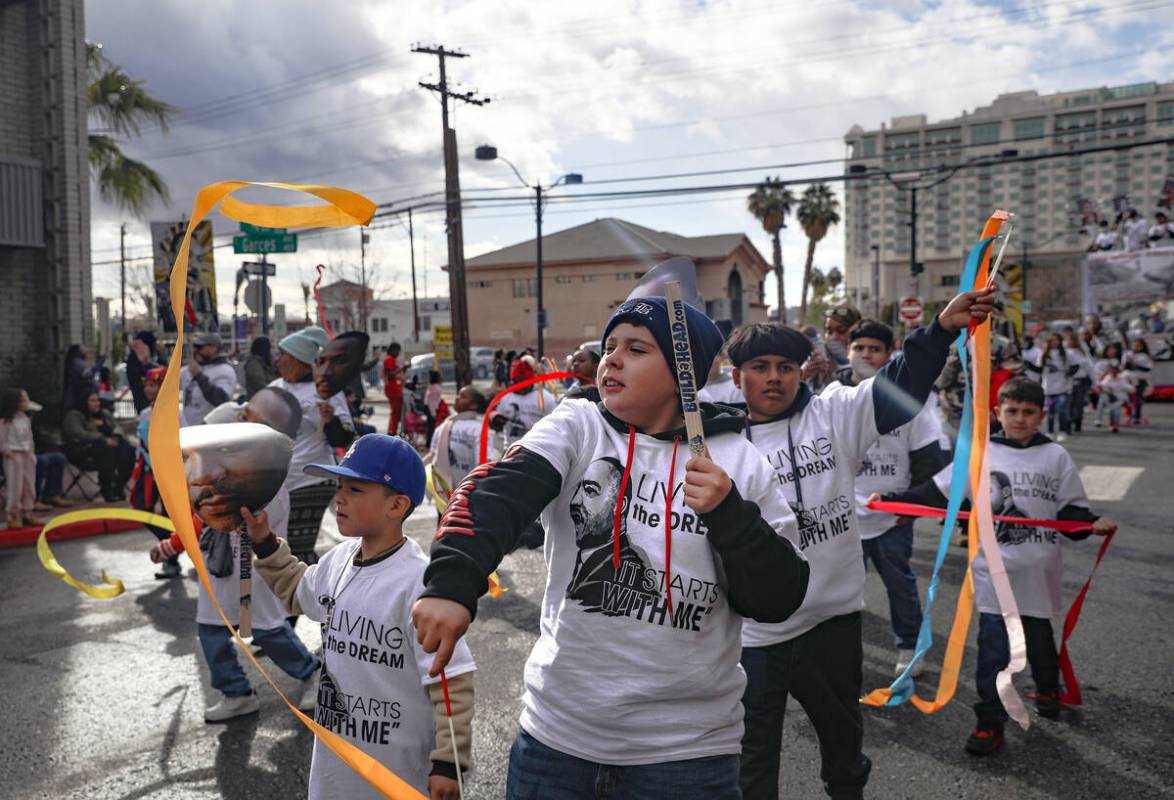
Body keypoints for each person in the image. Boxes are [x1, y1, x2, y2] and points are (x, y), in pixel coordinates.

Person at [412, 296, 810, 800]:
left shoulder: (740, 461)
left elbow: (779, 597)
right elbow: (496, 493)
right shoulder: (578, 425)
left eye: (636, 348)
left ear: (682, 374)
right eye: (609, 347)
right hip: (557, 740)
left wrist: (730, 514)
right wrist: (451, 582)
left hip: (687, 755)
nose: (612, 359)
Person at [728, 287, 993, 800]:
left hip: (832, 621)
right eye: (760, 366)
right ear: (738, 375)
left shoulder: (835, 414)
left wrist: (938, 331)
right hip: (756, 636)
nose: (774, 377)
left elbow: (902, 384)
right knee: (752, 759)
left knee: (843, 747)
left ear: (802, 370)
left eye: (786, 365)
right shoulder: (718, 443)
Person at [881, 377, 1117, 755]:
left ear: (1041, 415)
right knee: (993, 649)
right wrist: (897, 503)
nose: (1020, 418)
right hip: (994, 572)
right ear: (998, 413)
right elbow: (938, 492)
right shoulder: (981, 453)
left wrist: (1092, 523)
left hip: (1039, 569)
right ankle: (989, 722)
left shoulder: (1055, 456)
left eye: (1028, 412)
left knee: (1039, 637)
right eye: (1012, 411)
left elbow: (1072, 512)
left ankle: (1047, 689)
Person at [251, 434, 475, 799]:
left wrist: (449, 763)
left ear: (396, 505)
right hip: (334, 767)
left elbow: (451, 680)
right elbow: (299, 592)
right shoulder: (338, 559)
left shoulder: (419, 584)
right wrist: (264, 542)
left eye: (354, 489)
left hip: (396, 773)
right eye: (339, 485)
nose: (339, 497)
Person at [150, 422, 320, 723]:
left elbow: (266, 525)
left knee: (269, 632)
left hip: (252, 576)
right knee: (211, 634)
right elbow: (195, 523)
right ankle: (236, 693)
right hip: (217, 577)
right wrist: (168, 547)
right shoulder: (210, 482)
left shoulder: (271, 489)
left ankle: (313, 674)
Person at [824, 320, 948, 676]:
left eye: (874, 349)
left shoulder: (913, 402)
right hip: (843, 519)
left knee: (900, 585)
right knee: (841, 592)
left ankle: (909, 647)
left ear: (889, 354)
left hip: (892, 516)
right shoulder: (830, 398)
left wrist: (909, 502)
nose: (865, 354)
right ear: (848, 352)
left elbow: (929, 461)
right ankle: (840, 652)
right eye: (858, 347)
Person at [269, 327, 354, 492]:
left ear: (298, 360)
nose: (277, 360)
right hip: (277, 486)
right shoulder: (274, 387)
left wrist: (331, 421)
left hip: (311, 483)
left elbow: (346, 437)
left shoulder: (326, 390)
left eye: (282, 355)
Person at [131, 367, 181, 578]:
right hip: (147, 472)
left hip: (168, 471)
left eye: (153, 385)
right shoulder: (145, 412)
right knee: (144, 511)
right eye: (147, 386)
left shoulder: (176, 411)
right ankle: (178, 545)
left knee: (169, 514)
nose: (149, 390)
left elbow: (183, 440)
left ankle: (172, 556)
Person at [426, 386, 494, 504]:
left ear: (474, 405)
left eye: (462, 397)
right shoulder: (445, 425)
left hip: (468, 494)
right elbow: (433, 454)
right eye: (458, 395)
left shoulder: (478, 429)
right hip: (444, 491)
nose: (457, 398)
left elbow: (484, 462)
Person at [62, 391, 134, 502]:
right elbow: (77, 433)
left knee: (127, 448)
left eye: (98, 400)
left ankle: (119, 486)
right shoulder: (74, 415)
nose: (97, 403)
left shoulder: (104, 414)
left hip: (110, 451)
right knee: (104, 448)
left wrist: (115, 438)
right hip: (84, 452)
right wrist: (103, 439)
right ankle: (107, 489)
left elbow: (117, 427)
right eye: (92, 401)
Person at [1, 388, 42, 529]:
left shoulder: (25, 419)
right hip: (14, 455)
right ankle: (13, 514)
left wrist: (31, 454)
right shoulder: (6, 421)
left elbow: (29, 438)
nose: (26, 403)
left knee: (29, 484)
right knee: (15, 486)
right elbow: (2, 440)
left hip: (27, 455)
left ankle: (28, 512)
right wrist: (8, 453)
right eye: (23, 400)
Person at [494, 356, 556, 447]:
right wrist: (496, 419)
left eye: (525, 382)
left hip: (538, 448)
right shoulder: (506, 398)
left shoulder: (545, 398)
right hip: (511, 448)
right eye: (518, 381)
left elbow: (554, 425)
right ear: (513, 382)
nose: (522, 385)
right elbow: (495, 418)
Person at [180, 332, 238, 426]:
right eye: (194, 346)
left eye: (199, 347)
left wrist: (199, 376)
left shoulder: (225, 371)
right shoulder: (187, 370)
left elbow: (221, 400)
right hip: (188, 429)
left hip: (212, 430)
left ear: (213, 348)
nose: (195, 350)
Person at [1037, 333, 1075, 441]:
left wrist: (1069, 377)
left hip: (1062, 388)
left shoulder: (1066, 354)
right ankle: (1050, 431)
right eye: (1052, 340)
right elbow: (1038, 369)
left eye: (1056, 340)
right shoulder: (1043, 354)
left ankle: (1063, 431)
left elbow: (1073, 367)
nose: (1054, 342)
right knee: (1050, 411)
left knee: (1062, 410)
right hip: (1048, 389)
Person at [126, 331, 162, 413]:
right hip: (144, 404)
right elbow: (150, 375)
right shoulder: (134, 360)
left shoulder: (148, 358)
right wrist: (145, 363)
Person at [1123, 338, 1153, 424]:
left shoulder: (1145, 356)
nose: (1136, 347)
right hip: (1129, 378)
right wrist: (1127, 362)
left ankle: (1137, 416)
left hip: (1140, 378)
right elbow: (1125, 367)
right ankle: (1128, 415)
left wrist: (1136, 365)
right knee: (1128, 398)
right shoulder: (1128, 354)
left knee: (1138, 398)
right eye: (1134, 345)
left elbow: (1148, 368)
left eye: (1138, 345)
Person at [1097, 363, 1131, 432]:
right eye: (1112, 371)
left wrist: (1131, 388)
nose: (1113, 373)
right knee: (1110, 411)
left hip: (1119, 398)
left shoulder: (1121, 379)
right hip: (1109, 398)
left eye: (1115, 371)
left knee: (1117, 412)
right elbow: (1102, 385)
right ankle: (1104, 421)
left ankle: (1115, 425)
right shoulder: (1107, 378)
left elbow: (1128, 387)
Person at [382, 342, 406, 436]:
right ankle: (392, 431)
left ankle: (392, 430)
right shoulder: (389, 359)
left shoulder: (390, 359)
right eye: (398, 351)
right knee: (395, 412)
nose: (398, 354)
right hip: (392, 389)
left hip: (393, 388)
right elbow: (390, 375)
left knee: (396, 412)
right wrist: (401, 369)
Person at [424, 370, 447, 448]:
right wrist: (433, 412)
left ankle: (429, 442)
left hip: (431, 408)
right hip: (432, 409)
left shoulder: (432, 387)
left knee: (431, 426)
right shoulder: (435, 388)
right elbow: (431, 401)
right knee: (432, 426)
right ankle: (430, 442)